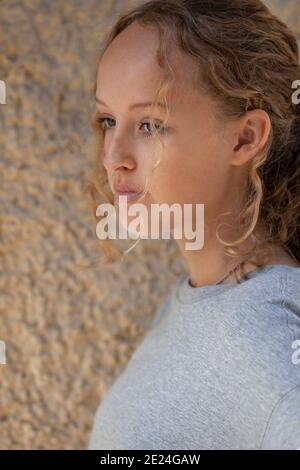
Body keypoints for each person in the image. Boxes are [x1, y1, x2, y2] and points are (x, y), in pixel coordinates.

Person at [87, 0, 300, 449]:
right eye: (109, 120)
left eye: (149, 124)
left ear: (245, 138)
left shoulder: (266, 332)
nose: (114, 157)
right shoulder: (201, 293)